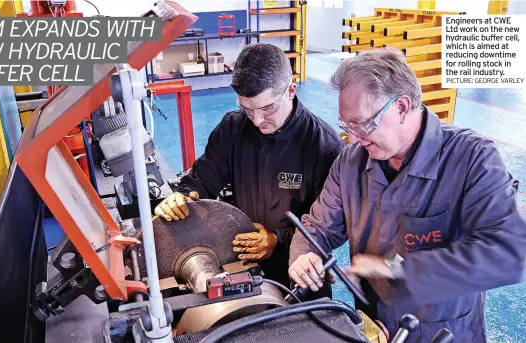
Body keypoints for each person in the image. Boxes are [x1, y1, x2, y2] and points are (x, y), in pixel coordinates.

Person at [288, 48, 526, 342]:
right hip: (376, 327)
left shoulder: (471, 159)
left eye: (363, 124)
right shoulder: (351, 162)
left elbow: (507, 255)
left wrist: (400, 268)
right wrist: (304, 254)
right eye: (346, 126)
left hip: (444, 331)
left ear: (401, 106)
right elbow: (318, 227)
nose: (353, 138)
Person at [154, 43, 345, 294]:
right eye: (247, 109)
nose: (256, 120)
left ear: (291, 90)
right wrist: (183, 197)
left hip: (299, 271)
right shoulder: (232, 129)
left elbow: (334, 226)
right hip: (239, 263)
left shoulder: (324, 147)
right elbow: (202, 180)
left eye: (267, 108)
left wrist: (277, 240)